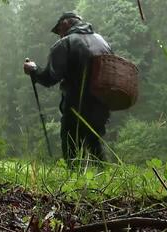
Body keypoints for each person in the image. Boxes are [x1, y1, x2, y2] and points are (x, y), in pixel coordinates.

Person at [23, 11, 112, 166]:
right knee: (95, 144)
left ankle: (74, 183)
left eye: (59, 31)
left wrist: (34, 70)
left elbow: (49, 78)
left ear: (65, 24)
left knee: (71, 146)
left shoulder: (65, 43)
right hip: (101, 105)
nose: (59, 35)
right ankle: (105, 180)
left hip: (76, 106)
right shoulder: (102, 41)